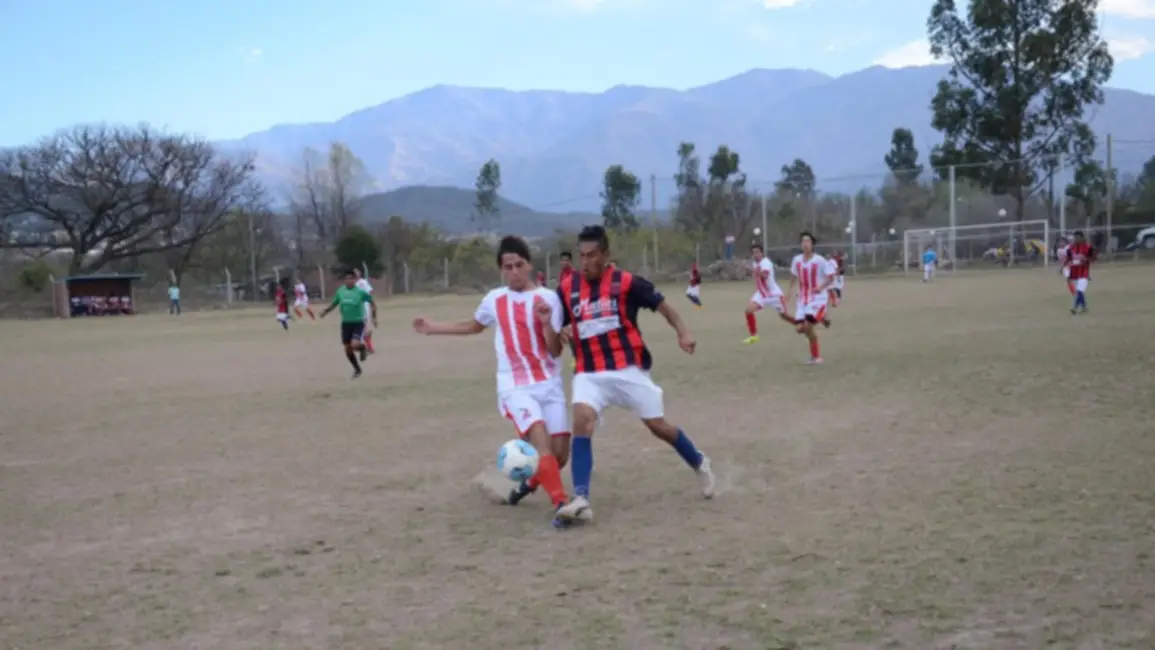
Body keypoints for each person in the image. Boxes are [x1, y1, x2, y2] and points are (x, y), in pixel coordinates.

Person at [553, 225, 715, 525]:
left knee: (658, 426)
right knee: (581, 420)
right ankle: (581, 499)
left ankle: (698, 461)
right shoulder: (566, 289)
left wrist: (683, 333)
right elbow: (556, 330)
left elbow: (665, 308)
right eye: (581, 256)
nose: (585, 262)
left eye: (591, 255)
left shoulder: (627, 282)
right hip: (589, 372)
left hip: (628, 370)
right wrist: (558, 332)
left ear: (605, 255)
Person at [413, 236, 576, 525]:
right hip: (515, 386)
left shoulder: (549, 299)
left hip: (548, 383)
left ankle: (523, 486)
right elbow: (473, 326)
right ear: (501, 269)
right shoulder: (494, 299)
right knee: (541, 443)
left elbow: (554, 350)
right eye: (508, 267)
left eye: (519, 265)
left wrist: (545, 324)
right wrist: (433, 328)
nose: (514, 271)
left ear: (529, 265)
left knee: (560, 456)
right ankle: (561, 504)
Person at [787, 232, 836, 364]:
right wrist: (789, 292)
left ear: (813, 244)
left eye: (808, 241)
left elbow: (831, 277)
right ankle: (822, 317)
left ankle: (816, 357)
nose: (805, 244)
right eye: (803, 241)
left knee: (808, 326)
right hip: (803, 299)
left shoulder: (820, 260)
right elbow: (793, 277)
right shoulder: (796, 260)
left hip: (817, 298)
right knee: (799, 329)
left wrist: (821, 287)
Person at [320, 270, 377, 378]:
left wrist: (374, 317)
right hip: (346, 323)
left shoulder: (360, 292)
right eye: (347, 278)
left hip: (358, 322)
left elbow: (372, 302)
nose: (349, 280)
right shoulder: (340, 291)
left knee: (354, 344)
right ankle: (357, 369)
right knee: (347, 348)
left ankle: (363, 348)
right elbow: (334, 303)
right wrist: (325, 311)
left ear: (354, 280)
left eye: (351, 278)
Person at [743, 243, 791, 344]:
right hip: (761, 293)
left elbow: (764, 275)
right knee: (748, 311)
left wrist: (751, 270)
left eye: (757, 252)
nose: (755, 255)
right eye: (753, 253)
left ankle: (801, 324)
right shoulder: (755, 263)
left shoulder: (766, 263)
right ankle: (754, 336)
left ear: (762, 253)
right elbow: (756, 275)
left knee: (784, 316)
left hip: (773, 294)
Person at [1067, 230, 1095, 314]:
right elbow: (1069, 260)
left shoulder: (1088, 247)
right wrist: (1069, 274)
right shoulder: (1071, 248)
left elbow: (1093, 258)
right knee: (1079, 292)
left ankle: (1074, 308)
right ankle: (1084, 306)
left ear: (1082, 238)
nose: (1076, 239)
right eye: (1075, 238)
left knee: (1079, 291)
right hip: (1075, 274)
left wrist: (1086, 259)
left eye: (1078, 238)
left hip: (1083, 273)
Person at [353, 268, 376, 355]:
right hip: (365, 306)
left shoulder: (357, 284)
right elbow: (371, 291)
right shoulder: (363, 282)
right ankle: (369, 347)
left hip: (361, 307)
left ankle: (367, 347)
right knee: (365, 327)